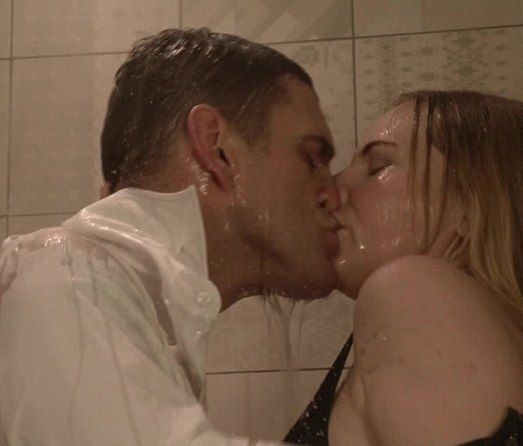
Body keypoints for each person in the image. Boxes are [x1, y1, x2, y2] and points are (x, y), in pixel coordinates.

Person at [0, 28, 341, 445]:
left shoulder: (106, 295)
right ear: (216, 148)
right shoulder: (65, 275)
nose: (334, 193)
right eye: (311, 157)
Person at [321, 90, 523, 445]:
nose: (333, 189)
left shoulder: (413, 290)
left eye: (377, 168)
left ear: (474, 207)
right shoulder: (462, 328)